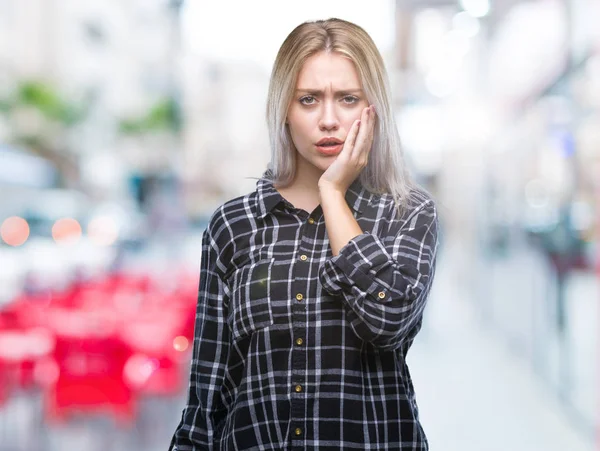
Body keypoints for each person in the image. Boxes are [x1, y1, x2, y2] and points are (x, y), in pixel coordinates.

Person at [169, 17, 439, 450]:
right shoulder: (233, 226)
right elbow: (208, 397)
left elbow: (387, 322)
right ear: (284, 110)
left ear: (373, 109)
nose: (329, 120)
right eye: (309, 99)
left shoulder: (406, 212)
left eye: (348, 99)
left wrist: (332, 192)